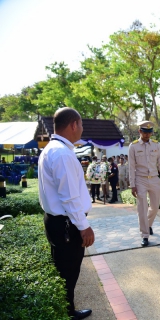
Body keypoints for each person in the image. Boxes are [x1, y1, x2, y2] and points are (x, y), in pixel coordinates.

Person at [38, 107, 95, 320]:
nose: (81, 129)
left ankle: (66, 310)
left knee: (63, 270)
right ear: (73, 125)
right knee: (69, 271)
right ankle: (67, 313)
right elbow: (69, 197)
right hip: (66, 224)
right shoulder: (62, 154)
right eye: (81, 125)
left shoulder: (52, 149)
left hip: (57, 221)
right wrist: (84, 226)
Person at [128, 121, 160, 247]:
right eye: (145, 132)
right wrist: (132, 184)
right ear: (140, 131)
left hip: (154, 179)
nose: (147, 135)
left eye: (149, 132)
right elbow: (131, 167)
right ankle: (144, 235)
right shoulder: (133, 146)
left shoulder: (156, 145)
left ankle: (148, 224)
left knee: (155, 207)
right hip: (140, 180)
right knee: (142, 208)